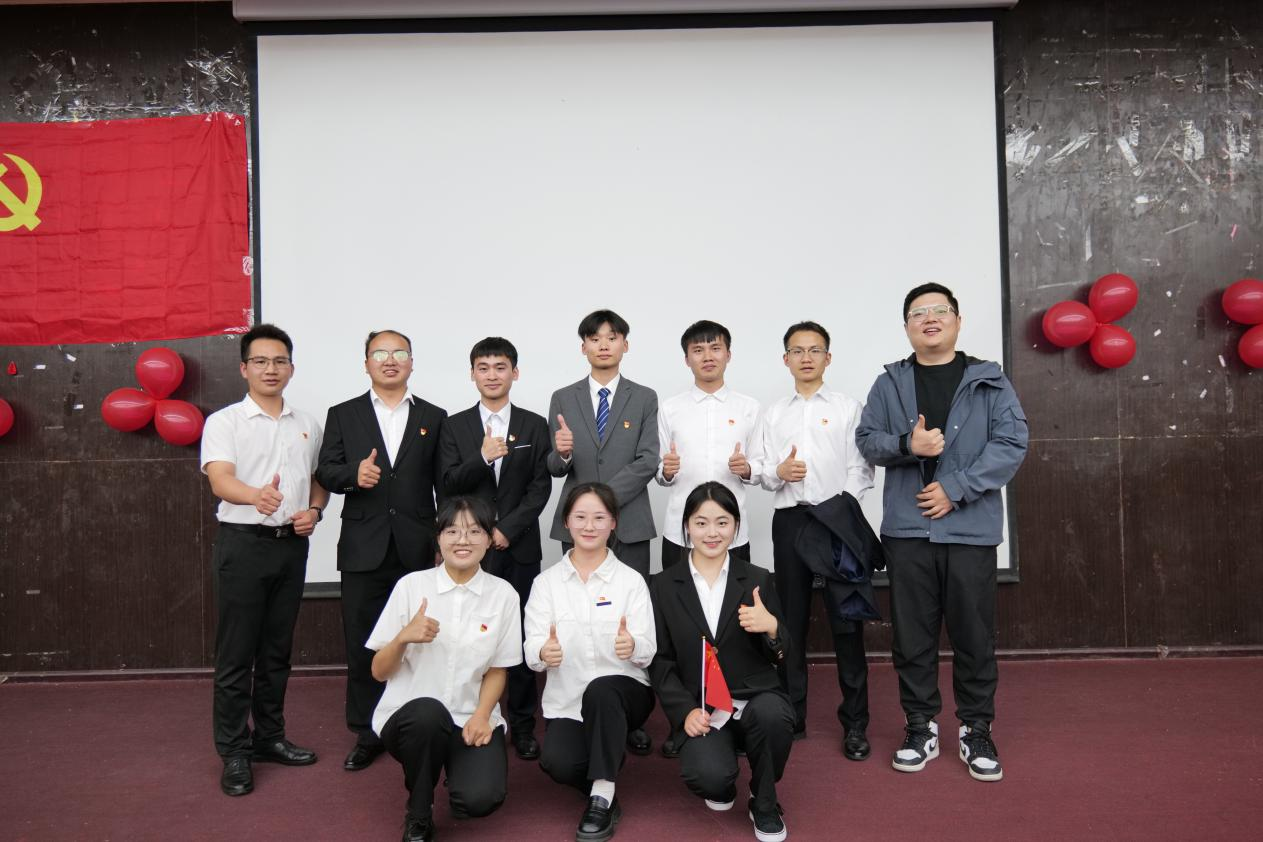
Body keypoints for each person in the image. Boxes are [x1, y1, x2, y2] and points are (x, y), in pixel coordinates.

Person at [855, 283, 1028, 782]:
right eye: (918, 313)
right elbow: (867, 441)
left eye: (939, 310)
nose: (929, 318)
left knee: (974, 635)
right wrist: (906, 445)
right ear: (906, 326)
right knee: (912, 637)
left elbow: (1012, 443)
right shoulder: (889, 383)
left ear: (957, 320)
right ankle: (920, 726)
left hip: (970, 530)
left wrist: (956, 488)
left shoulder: (989, 381)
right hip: (908, 531)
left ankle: (976, 729)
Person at [200, 323, 329, 797]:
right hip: (243, 543)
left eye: (279, 361)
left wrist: (314, 511)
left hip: (291, 545)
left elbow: (318, 480)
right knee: (237, 654)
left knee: (277, 651)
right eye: (260, 361)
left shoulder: (306, 423)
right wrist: (256, 496)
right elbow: (220, 479)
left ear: (291, 368)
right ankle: (234, 751)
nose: (270, 369)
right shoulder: (225, 422)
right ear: (244, 369)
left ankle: (269, 737)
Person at [315, 329, 448, 773]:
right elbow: (326, 471)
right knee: (363, 641)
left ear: (411, 362)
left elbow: (444, 484)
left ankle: (416, 722)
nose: (390, 360)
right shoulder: (343, 414)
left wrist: (443, 541)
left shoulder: (433, 416)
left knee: (421, 639)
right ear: (366, 363)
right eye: (380, 353)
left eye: (399, 353)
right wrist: (353, 475)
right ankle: (367, 731)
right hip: (363, 547)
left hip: (418, 546)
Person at [366, 496, 523, 842]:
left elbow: (498, 669)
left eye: (474, 531)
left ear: (489, 539)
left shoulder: (504, 595)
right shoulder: (411, 587)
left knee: (480, 799)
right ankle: (419, 813)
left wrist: (482, 715)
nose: (463, 540)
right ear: (438, 538)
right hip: (412, 719)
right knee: (428, 713)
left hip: (467, 717)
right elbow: (378, 671)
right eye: (452, 531)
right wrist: (403, 638)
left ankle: (453, 765)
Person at [754, 321, 876, 759]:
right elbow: (762, 470)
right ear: (785, 359)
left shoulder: (847, 408)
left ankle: (855, 723)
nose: (806, 357)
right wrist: (778, 473)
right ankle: (793, 715)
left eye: (815, 350)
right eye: (797, 350)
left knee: (847, 623)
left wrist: (840, 507)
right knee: (789, 622)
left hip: (837, 520)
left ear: (828, 357)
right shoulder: (773, 413)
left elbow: (862, 468)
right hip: (790, 521)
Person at [649, 482, 795, 842]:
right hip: (702, 707)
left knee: (774, 717)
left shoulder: (757, 579)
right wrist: (683, 711)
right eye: (701, 523)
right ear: (686, 527)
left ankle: (763, 799)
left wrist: (771, 628)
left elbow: (782, 653)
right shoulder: (663, 586)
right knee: (709, 777)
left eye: (722, 522)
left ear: (736, 526)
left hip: (755, 697)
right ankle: (724, 778)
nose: (711, 533)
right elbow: (661, 661)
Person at [546, 309, 659, 756]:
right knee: (576, 617)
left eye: (613, 337)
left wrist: (601, 502)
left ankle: (628, 713)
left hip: (630, 522)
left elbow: (648, 460)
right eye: (595, 338)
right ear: (584, 347)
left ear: (625, 345)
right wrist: (561, 454)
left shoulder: (644, 397)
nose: (604, 345)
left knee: (628, 621)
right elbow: (556, 467)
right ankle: (577, 706)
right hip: (577, 527)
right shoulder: (562, 396)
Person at [438, 336, 552, 761]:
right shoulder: (454, 425)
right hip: (470, 548)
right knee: (469, 634)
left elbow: (540, 487)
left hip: (518, 547)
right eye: (483, 368)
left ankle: (522, 724)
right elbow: (448, 485)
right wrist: (482, 458)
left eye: (500, 367)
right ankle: (470, 714)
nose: (492, 375)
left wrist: (507, 529)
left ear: (514, 373)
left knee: (518, 635)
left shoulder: (534, 424)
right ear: (472, 374)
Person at [523, 483, 657, 842]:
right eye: (580, 517)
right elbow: (531, 647)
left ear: (613, 523)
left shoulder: (630, 581)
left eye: (599, 517)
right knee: (558, 763)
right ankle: (607, 763)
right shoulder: (546, 584)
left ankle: (601, 795)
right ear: (566, 522)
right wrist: (542, 653)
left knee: (602, 690)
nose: (589, 526)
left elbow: (648, 651)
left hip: (625, 694)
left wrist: (633, 645)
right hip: (569, 699)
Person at [655, 320, 761, 569]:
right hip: (680, 530)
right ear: (687, 359)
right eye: (698, 350)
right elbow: (659, 470)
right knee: (676, 593)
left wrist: (747, 469)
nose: (708, 357)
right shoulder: (670, 408)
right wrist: (666, 471)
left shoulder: (749, 408)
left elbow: (761, 465)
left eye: (715, 348)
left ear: (728, 355)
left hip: (732, 531)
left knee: (735, 593)